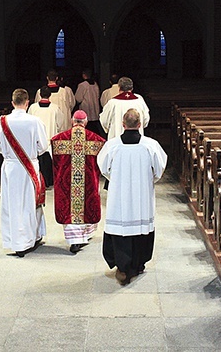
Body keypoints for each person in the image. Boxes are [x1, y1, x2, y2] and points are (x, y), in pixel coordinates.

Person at [97, 108, 168, 285]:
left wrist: (117, 179)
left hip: (118, 195)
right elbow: (159, 170)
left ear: (122, 124)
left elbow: (104, 168)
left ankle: (122, 267)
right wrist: (148, 181)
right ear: (140, 124)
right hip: (142, 196)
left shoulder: (112, 146)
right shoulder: (151, 145)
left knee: (121, 228)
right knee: (141, 227)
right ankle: (138, 264)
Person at [0, 88, 48, 257]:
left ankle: (16, 241)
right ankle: (32, 237)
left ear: (12, 103)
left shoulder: (3, 121)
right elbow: (44, 146)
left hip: (11, 168)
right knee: (31, 203)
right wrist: (32, 154)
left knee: (13, 205)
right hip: (30, 167)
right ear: (27, 103)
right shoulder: (34, 121)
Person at [51, 110, 105, 253]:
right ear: (86, 122)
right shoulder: (97, 140)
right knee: (87, 203)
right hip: (87, 181)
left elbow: (55, 162)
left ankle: (74, 240)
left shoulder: (59, 139)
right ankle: (83, 236)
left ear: (72, 121)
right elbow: (101, 164)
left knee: (69, 205)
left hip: (68, 183)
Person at [28, 86, 63, 187]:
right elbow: (60, 123)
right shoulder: (55, 108)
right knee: (48, 162)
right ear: (50, 95)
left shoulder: (33, 108)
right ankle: (49, 181)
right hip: (50, 137)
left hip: (36, 139)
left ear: (39, 94)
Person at [99, 76, 150, 140]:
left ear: (119, 88)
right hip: (136, 139)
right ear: (132, 88)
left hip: (117, 139)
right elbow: (146, 119)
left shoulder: (113, 103)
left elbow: (104, 121)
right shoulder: (140, 101)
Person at [74, 68, 102, 136]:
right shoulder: (95, 84)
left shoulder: (82, 85)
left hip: (86, 111)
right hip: (95, 111)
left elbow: (78, 98)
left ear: (84, 75)